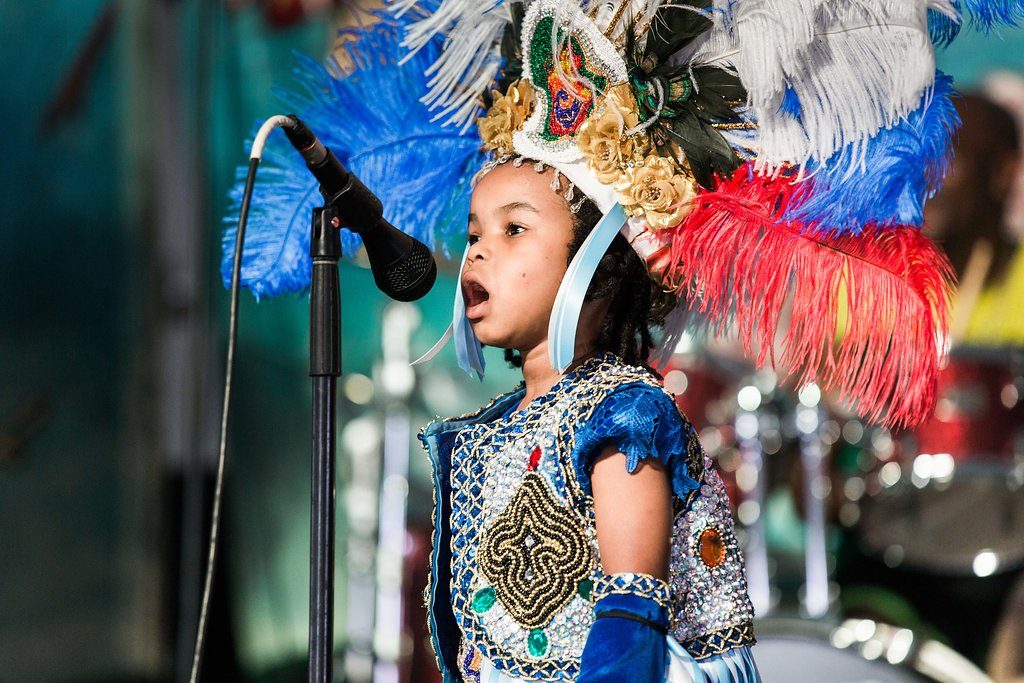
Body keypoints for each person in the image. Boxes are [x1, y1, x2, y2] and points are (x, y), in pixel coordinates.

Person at [417, 156, 759, 682]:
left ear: (596, 267)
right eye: (473, 233)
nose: (477, 251)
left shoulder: (623, 413)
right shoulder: (499, 428)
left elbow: (631, 615)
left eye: (513, 229)